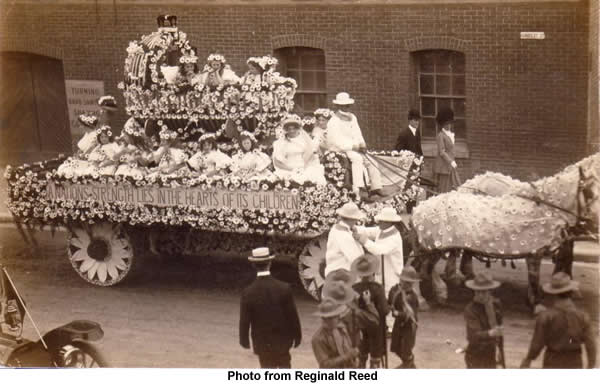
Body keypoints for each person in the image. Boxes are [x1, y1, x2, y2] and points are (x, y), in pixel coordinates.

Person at [239, 247, 302, 368]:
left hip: (262, 343)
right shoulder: (284, 288)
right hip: (283, 341)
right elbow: (292, 316)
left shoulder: (248, 292)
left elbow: (245, 320)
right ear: (270, 263)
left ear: (253, 265)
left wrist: (244, 340)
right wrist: (297, 336)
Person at [520, 272, 596, 369]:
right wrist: (591, 365)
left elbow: (537, 343)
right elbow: (591, 344)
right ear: (571, 292)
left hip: (552, 360)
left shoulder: (545, 316)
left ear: (553, 294)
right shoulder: (583, 316)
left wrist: (528, 359)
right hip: (575, 361)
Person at [354, 206, 405, 330]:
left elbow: (378, 250)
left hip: (391, 272)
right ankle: (382, 323)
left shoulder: (394, 237)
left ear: (389, 222)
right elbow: (368, 231)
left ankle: (391, 327)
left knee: (390, 297)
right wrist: (355, 228)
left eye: (381, 221)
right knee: (381, 296)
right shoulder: (382, 230)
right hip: (381, 270)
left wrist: (362, 240)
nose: (379, 223)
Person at [326, 92, 383, 200]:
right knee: (357, 159)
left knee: (371, 160)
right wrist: (353, 147)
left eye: (348, 105)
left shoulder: (353, 117)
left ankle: (376, 187)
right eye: (344, 105)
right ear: (339, 106)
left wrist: (362, 144)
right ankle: (358, 189)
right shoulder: (333, 121)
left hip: (355, 147)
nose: (347, 107)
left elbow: (358, 133)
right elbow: (336, 140)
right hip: (341, 149)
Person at [351, 254, 389, 368]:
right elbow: (384, 310)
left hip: (360, 328)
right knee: (375, 359)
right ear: (372, 272)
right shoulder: (378, 288)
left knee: (360, 357)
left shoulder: (354, 288)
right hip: (376, 328)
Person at [463, 271, 503, 369]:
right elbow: (473, 336)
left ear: (490, 291)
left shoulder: (496, 305)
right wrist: (490, 333)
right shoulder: (470, 309)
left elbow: (499, 331)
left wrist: (500, 350)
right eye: (478, 291)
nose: (480, 295)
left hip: (491, 352)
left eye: (484, 292)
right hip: (476, 352)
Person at [272, 114, 326, 185]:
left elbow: (310, 157)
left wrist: (304, 167)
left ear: (298, 129)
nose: (292, 131)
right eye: (289, 129)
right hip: (288, 167)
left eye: (294, 128)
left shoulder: (303, 141)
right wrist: (292, 169)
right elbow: (277, 162)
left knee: (313, 176)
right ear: (286, 130)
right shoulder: (280, 143)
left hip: (303, 166)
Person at [311, 298, 361, 368]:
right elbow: (325, 364)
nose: (338, 318)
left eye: (338, 315)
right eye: (335, 316)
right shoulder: (318, 339)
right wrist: (347, 356)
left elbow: (348, 348)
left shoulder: (341, 329)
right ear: (326, 318)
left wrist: (353, 358)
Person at [388, 266, 421, 368]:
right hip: (398, 324)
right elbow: (390, 302)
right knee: (396, 347)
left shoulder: (413, 297)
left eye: (409, 282)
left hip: (409, 326)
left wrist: (397, 313)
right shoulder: (396, 291)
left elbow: (410, 315)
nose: (406, 284)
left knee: (406, 350)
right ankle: (410, 366)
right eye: (404, 281)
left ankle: (409, 365)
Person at [324, 201, 365, 277]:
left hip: (334, 272)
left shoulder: (336, 228)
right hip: (341, 276)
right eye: (356, 219)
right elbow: (356, 259)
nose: (357, 221)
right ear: (352, 219)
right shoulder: (344, 235)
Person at [434, 107, 461, 193]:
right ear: (442, 124)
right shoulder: (440, 136)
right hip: (443, 167)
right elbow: (442, 152)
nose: (448, 126)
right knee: (444, 190)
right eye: (446, 124)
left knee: (455, 187)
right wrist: (451, 161)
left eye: (450, 123)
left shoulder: (450, 135)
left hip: (450, 166)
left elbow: (451, 150)